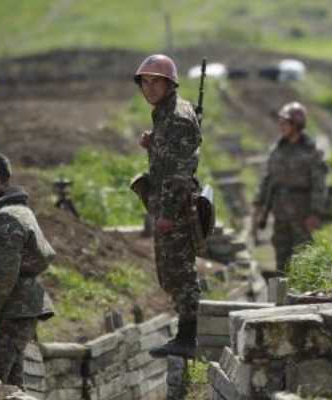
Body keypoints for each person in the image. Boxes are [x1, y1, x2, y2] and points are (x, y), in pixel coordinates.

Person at [133, 54, 202, 358]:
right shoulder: (164, 113)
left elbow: (180, 171)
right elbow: (173, 154)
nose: (149, 88)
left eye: (155, 82)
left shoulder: (176, 117)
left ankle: (188, 338)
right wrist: (154, 143)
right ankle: (184, 335)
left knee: (180, 274)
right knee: (172, 274)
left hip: (175, 208)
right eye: (144, 83)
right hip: (166, 204)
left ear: (169, 83)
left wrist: (168, 215)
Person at [0, 154, 55, 387]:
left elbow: (2, 271)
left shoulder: (4, 217)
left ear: (4, 182)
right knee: (12, 386)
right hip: (17, 310)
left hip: (7, 313)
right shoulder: (18, 211)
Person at [253, 101, 328, 275]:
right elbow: (268, 179)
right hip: (280, 213)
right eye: (280, 122)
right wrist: (259, 204)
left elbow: (319, 185)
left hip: (302, 214)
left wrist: (315, 213)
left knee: (304, 255)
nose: (281, 126)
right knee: (281, 257)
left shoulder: (311, 151)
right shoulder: (277, 149)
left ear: (297, 125)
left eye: (285, 123)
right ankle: (283, 296)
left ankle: (305, 292)